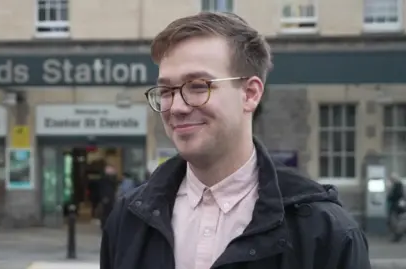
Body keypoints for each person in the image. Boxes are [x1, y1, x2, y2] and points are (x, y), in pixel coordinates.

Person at [100, 12, 370, 269]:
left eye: (197, 86)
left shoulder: (325, 232)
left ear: (250, 94)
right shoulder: (129, 220)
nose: (177, 107)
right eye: (167, 90)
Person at [98, 164, 118, 230]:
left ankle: (107, 225)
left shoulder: (112, 179)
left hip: (110, 197)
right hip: (106, 197)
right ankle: (104, 225)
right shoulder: (104, 179)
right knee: (105, 212)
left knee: (109, 212)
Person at [387, 173, 405, 242]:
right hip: (397, 206)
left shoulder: (397, 185)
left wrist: (390, 197)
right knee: (395, 222)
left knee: (395, 222)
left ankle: (397, 236)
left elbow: (395, 195)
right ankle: (397, 236)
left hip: (396, 207)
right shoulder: (397, 185)